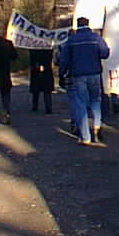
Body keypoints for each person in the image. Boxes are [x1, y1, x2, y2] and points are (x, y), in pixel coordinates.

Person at [58, 17, 110, 145]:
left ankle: (85, 137)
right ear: (88, 24)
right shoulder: (96, 38)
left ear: (77, 25)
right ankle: (97, 127)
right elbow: (105, 54)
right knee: (95, 101)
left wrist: (61, 74)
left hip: (78, 75)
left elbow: (64, 60)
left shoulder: (71, 40)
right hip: (95, 73)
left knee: (80, 104)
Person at [29, 48, 55, 114]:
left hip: (36, 68)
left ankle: (35, 105)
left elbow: (31, 56)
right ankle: (48, 107)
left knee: (36, 89)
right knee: (46, 90)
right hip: (46, 68)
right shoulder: (47, 46)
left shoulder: (33, 47)